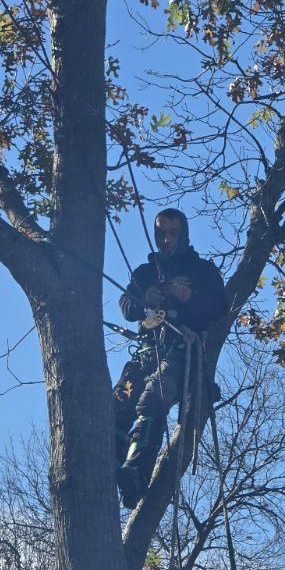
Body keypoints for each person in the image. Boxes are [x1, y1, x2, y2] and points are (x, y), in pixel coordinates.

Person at [113, 208, 226, 508]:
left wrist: (186, 296)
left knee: (153, 398)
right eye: (161, 233)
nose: (166, 240)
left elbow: (219, 305)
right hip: (147, 350)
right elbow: (126, 304)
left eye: (173, 233)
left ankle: (136, 473)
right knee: (119, 404)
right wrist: (144, 299)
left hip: (181, 352)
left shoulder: (202, 270)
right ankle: (112, 466)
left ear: (184, 234)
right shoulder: (145, 272)